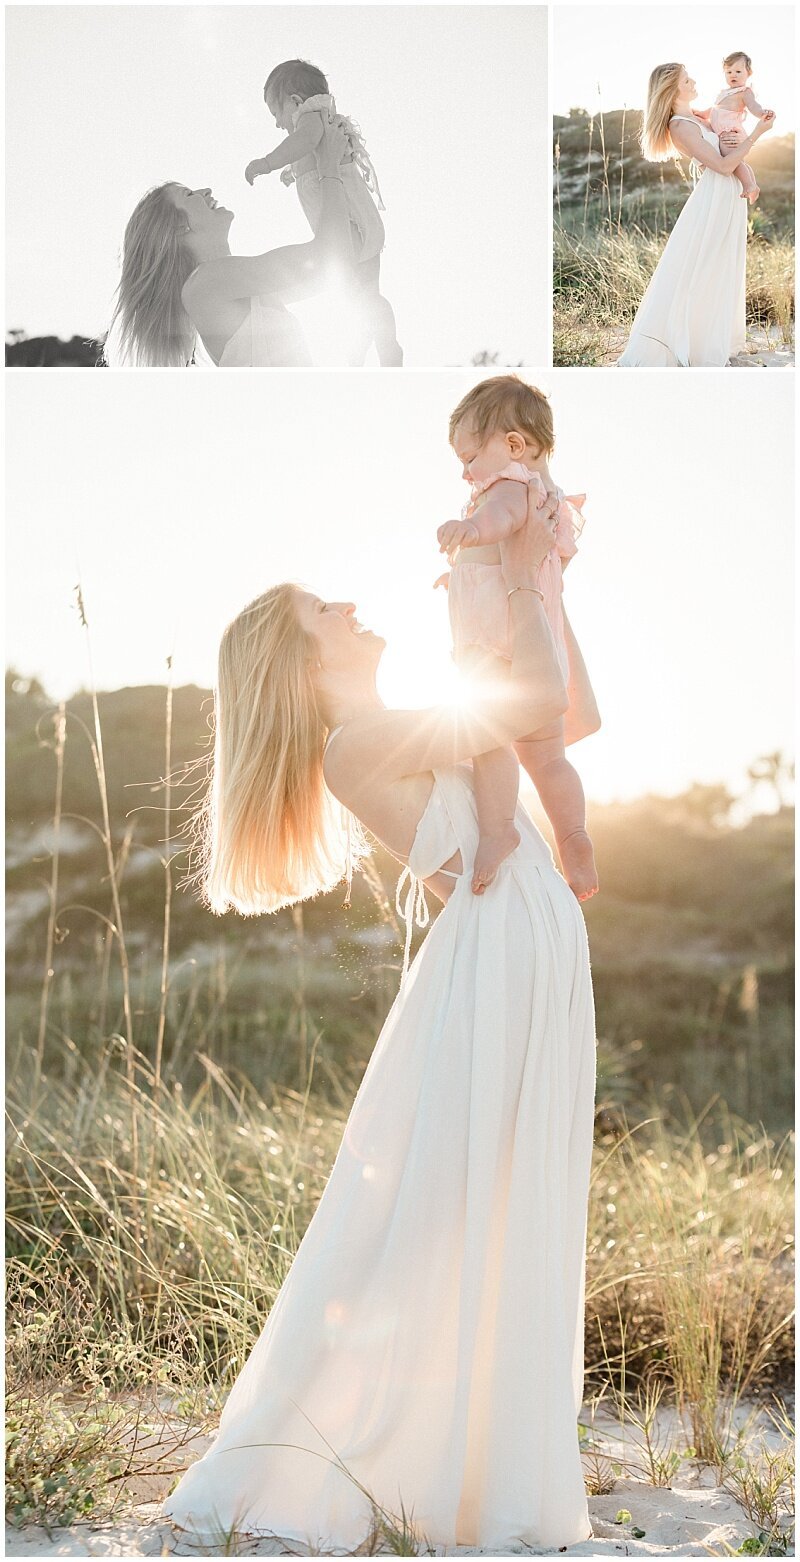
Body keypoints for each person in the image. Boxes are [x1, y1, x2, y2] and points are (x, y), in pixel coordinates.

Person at [162, 490, 598, 1552]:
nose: (348, 604)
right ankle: (369, 1456)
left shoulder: (398, 717)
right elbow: (528, 690)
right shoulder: (354, 742)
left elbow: (559, 710)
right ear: (301, 667)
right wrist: (514, 561)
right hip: (489, 958)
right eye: (323, 611)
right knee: (440, 1209)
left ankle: (482, 1461)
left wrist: (535, 580)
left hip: (527, 945)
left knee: (505, 1194)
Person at [435, 376, 599, 900]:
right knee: (548, 757)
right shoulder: (551, 500)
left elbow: (499, 520)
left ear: (512, 446)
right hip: (540, 647)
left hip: (496, 640)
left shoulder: (507, 486)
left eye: (468, 458)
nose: (465, 474)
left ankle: (498, 826)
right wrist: (462, 572)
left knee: (489, 734)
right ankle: (574, 835)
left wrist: (470, 535)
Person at [106, 118, 354, 366]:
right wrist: (328, 166)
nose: (207, 191)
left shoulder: (236, 288)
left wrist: (316, 167)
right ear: (178, 227)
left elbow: (336, 266)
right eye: (190, 194)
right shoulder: (204, 284)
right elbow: (331, 259)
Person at [245, 58, 402, 366]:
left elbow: (304, 140)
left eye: (276, 113)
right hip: (361, 220)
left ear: (294, 101)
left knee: (352, 290)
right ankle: (384, 347)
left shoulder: (310, 114)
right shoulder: (322, 118)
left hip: (348, 226)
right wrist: (294, 170)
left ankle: (363, 352)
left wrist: (267, 162)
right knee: (366, 295)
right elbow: (309, 150)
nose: (277, 123)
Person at [618, 63, 775, 367]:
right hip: (713, 199)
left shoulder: (697, 118)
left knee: (720, 267)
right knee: (700, 268)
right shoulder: (680, 125)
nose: (693, 82)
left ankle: (708, 339)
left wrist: (737, 141)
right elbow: (722, 167)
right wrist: (757, 132)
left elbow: (729, 155)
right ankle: (685, 344)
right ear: (673, 89)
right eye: (687, 80)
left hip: (729, 197)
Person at [696, 50, 771, 204]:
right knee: (738, 162)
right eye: (728, 72)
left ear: (748, 73)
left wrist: (762, 113)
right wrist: (703, 114)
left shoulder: (745, 92)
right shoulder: (724, 92)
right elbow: (715, 109)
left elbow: (753, 106)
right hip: (722, 133)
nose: (733, 75)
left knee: (731, 160)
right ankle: (753, 185)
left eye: (738, 71)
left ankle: (749, 185)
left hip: (729, 133)